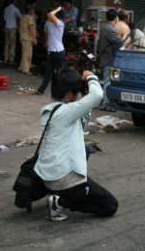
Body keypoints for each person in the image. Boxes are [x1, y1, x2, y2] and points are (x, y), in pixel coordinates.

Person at [35, 68, 118, 221]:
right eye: (76, 92)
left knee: (85, 150)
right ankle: (61, 201)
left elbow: (84, 116)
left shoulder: (53, 110)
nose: (78, 95)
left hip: (48, 175)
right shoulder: (67, 112)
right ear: (68, 94)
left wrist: (85, 94)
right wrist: (91, 77)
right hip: (62, 179)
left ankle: (61, 194)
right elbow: (98, 95)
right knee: (110, 206)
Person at [24, 6, 65, 95]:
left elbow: (51, 14)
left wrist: (57, 9)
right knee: (48, 72)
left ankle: (63, 91)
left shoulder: (59, 24)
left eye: (49, 17)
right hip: (52, 52)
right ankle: (41, 90)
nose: (48, 17)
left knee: (60, 73)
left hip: (58, 52)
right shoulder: (52, 25)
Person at [98, 9, 124, 112]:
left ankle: (105, 102)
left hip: (105, 57)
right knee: (108, 82)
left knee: (106, 81)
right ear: (116, 18)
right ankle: (106, 104)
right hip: (108, 58)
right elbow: (119, 42)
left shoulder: (104, 27)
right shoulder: (110, 29)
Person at [19, 4, 37, 75]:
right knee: (27, 54)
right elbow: (30, 28)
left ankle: (21, 67)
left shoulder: (23, 17)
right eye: (32, 10)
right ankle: (26, 69)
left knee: (24, 53)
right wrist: (34, 37)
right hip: (28, 38)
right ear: (30, 11)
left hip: (23, 37)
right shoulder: (30, 18)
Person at [3, 0, 22, 64]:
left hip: (7, 26)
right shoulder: (15, 9)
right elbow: (21, 17)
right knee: (13, 44)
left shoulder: (6, 9)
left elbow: (4, 19)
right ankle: (11, 59)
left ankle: (5, 58)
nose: (17, 2)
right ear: (14, 1)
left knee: (7, 43)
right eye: (16, 0)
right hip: (13, 27)